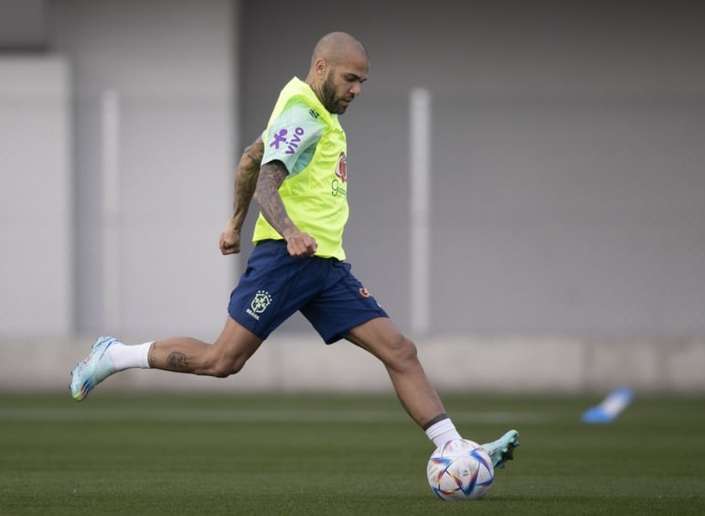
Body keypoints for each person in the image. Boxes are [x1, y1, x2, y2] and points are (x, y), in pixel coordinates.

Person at [70, 32, 518, 467]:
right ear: (321, 67)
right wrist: (287, 231)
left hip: (325, 266)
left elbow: (250, 158)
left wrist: (233, 222)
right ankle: (114, 355)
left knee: (399, 350)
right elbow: (268, 178)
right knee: (221, 360)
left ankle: (455, 449)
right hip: (287, 261)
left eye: (362, 81)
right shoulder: (303, 114)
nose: (357, 90)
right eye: (349, 79)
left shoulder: (315, 114)